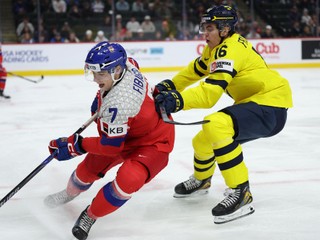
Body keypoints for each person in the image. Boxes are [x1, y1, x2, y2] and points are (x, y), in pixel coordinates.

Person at [154, 5, 293, 224]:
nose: (204, 33)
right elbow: (194, 71)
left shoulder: (230, 49)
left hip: (271, 106)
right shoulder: (215, 49)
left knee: (216, 123)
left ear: (225, 29)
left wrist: (177, 100)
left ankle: (241, 192)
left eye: (209, 28)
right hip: (257, 102)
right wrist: (167, 86)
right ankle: (202, 180)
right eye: (204, 27)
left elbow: (209, 94)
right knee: (202, 140)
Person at [44, 41, 174, 240]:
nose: (96, 79)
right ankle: (69, 193)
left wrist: (76, 145)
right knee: (87, 170)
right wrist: (101, 98)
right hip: (127, 130)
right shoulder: (127, 64)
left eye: (101, 74)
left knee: (129, 179)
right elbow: (134, 62)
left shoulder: (121, 102)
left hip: (153, 141)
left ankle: (90, 215)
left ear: (117, 70)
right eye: (93, 73)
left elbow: (111, 147)